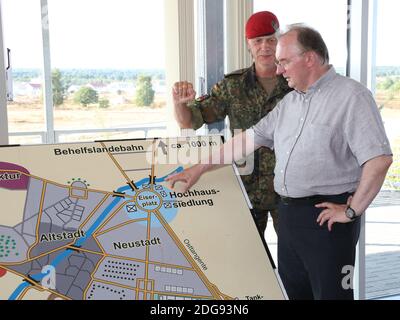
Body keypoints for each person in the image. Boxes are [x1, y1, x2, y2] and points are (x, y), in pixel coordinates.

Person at [166, 25, 393, 300]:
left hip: (327, 218)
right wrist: (199, 168)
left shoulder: (351, 97)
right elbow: (249, 139)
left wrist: (350, 211)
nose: (278, 70)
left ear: (309, 58)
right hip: (289, 217)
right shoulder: (291, 102)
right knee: (295, 294)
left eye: (284, 61)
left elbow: (379, 159)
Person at [172, 11, 292, 236]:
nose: (265, 47)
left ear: (279, 43)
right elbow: (190, 121)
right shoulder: (232, 86)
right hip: (245, 190)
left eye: (271, 40)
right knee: (247, 259)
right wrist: (180, 104)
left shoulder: (296, 83)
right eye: (258, 41)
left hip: (287, 190)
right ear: (249, 45)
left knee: (294, 261)